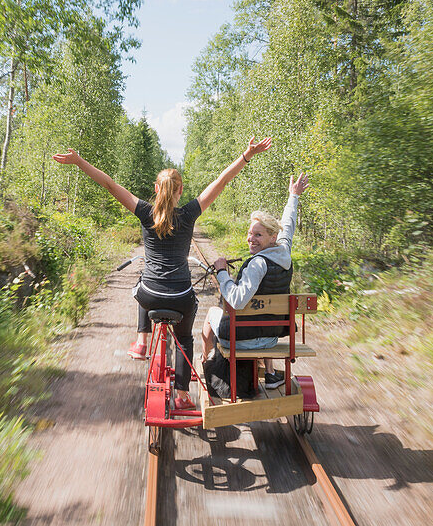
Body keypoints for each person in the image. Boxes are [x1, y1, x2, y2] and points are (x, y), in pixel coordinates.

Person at [52, 138, 273, 410]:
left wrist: (79, 161)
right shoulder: (190, 213)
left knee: (142, 285)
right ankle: (181, 395)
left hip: (150, 297)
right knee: (184, 338)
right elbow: (221, 182)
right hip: (180, 296)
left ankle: (142, 340)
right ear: (180, 190)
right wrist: (246, 155)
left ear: (156, 189)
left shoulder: (145, 211)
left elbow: (109, 184)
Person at [201, 173, 309, 396]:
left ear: (272, 237)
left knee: (212, 314)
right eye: (250, 234)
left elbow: (238, 300)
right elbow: (288, 225)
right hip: (270, 339)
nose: (251, 239)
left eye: (258, 235)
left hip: (243, 341)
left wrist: (223, 273)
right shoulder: (283, 252)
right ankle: (269, 374)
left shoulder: (258, 264)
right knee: (263, 312)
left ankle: (207, 363)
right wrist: (293, 196)